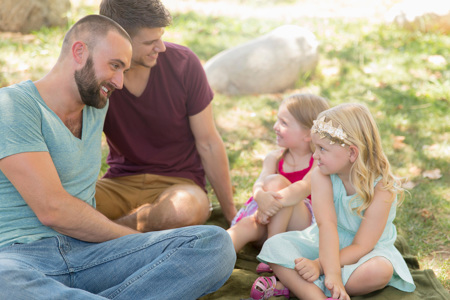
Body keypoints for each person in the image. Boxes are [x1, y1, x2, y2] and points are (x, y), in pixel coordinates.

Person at [0, 15, 235, 299]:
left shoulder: (97, 106)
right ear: (79, 52)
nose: (120, 82)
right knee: (5, 280)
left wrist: (145, 248)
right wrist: (140, 242)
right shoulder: (12, 106)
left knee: (214, 244)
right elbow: (53, 209)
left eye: (124, 69)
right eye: (114, 66)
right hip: (23, 258)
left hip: (91, 254)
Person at [95, 0, 237, 232]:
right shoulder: (97, 74)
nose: (160, 47)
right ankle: (112, 234)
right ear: (118, 40)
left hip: (180, 184)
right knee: (67, 204)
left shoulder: (184, 64)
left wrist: (232, 214)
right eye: (150, 42)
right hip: (119, 183)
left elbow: (209, 143)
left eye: (161, 37)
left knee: (181, 212)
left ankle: (102, 234)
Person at [250, 103, 416, 300]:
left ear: (352, 153)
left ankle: (298, 286)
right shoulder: (321, 175)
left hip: (365, 252)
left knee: (380, 271)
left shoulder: (383, 188)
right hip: (324, 242)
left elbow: (362, 246)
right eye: (314, 147)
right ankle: (318, 294)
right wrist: (327, 269)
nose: (315, 156)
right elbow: (327, 226)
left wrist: (322, 267)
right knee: (275, 246)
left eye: (322, 149)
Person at [227, 94, 329, 260]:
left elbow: (302, 188)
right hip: (267, 215)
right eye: (277, 120)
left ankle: (272, 252)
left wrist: (272, 204)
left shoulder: (318, 163)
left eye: (284, 123)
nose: (275, 126)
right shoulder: (274, 158)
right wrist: (261, 198)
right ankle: (210, 254)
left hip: (300, 228)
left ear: (308, 134)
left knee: (278, 184)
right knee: (246, 225)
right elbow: (260, 182)